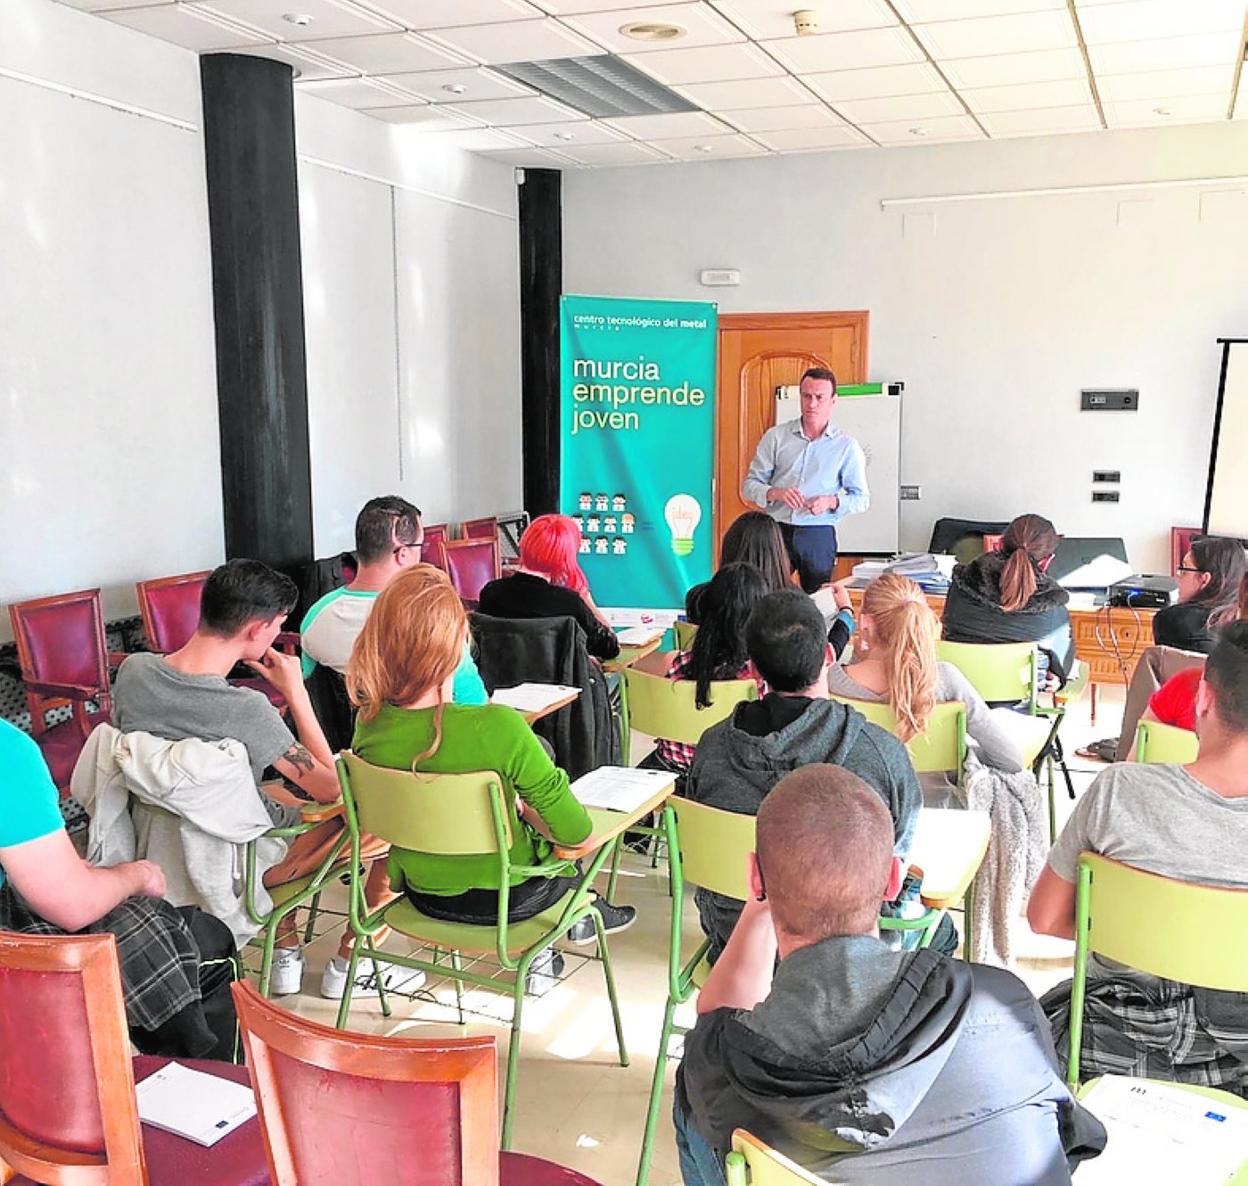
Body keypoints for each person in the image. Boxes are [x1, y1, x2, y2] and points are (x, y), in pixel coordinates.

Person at [674, 765, 1105, 1186]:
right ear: (894, 880)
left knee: (693, 1108)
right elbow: (1066, 1137)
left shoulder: (725, 1062)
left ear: (755, 878)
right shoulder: (1003, 1001)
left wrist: (763, 897)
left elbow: (714, 1021)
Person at [113, 558, 392, 1000]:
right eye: (278, 627)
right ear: (258, 629)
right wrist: (297, 694)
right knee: (381, 822)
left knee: (275, 791)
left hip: (160, 844)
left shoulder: (133, 674)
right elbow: (330, 788)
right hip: (237, 862)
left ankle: (285, 954)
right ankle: (349, 963)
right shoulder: (244, 710)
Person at [349, 564, 635, 975]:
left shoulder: (369, 726)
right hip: (513, 902)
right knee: (568, 854)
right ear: (455, 647)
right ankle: (548, 949)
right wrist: (520, 811)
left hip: (421, 895)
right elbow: (577, 833)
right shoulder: (499, 727)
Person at [1028, 622, 1248, 1090]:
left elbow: (1045, 919)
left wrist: (1138, 932)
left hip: (1106, 1046)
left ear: (1203, 699)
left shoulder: (1117, 791)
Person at [685, 588, 921, 962]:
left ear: (754, 669)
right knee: (940, 933)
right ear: (829, 655)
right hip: (848, 960)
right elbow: (898, 860)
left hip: (735, 948)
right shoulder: (881, 754)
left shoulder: (711, 748)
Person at [0, 719, 239, 1060]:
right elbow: (73, 904)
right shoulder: (6, 751)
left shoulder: (133, 680)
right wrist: (137, 875)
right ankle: (212, 1086)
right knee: (200, 937)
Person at [829, 573, 1024, 802]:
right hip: (938, 820)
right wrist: (959, 754)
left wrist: (858, 655)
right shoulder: (946, 679)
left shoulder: (831, 681)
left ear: (865, 623)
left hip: (857, 818)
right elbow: (1009, 759)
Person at [300, 495, 487, 702]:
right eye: (420, 547)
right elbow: (474, 702)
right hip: (431, 733)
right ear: (403, 553)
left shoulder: (316, 616)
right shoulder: (433, 620)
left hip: (343, 734)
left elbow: (308, 690)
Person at [741, 367, 869, 594]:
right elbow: (749, 486)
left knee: (820, 602)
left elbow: (861, 499)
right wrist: (775, 493)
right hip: (777, 531)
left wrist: (831, 502)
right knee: (767, 596)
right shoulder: (776, 437)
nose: (811, 404)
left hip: (817, 533)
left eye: (819, 398)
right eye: (806, 396)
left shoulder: (846, 447)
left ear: (833, 401)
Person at [647, 563, 770, 781]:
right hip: (734, 780)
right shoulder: (764, 677)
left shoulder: (674, 663)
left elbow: (630, 666)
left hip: (670, 776)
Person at [685, 510, 855, 652]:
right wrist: (846, 613)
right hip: (768, 690)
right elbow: (819, 660)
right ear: (778, 552)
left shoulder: (698, 598)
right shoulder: (795, 606)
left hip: (704, 689)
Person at [942, 513, 1074, 683]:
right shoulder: (1053, 607)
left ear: (1000, 544)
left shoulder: (960, 586)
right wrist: (1057, 679)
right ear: (1046, 561)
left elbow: (947, 635)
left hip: (961, 695)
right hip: (1020, 701)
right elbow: (1061, 668)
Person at [478, 513, 620, 662]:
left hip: (499, 683)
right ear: (565, 557)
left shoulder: (490, 593)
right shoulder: (569, 603)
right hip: (560, 684)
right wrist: (588, 602)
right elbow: (609, 648)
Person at [1153, 535, 1247, 654]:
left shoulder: (1171, 620)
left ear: (1204, 579)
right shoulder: (1240, 624)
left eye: (1184, 570)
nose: (1177, 577)